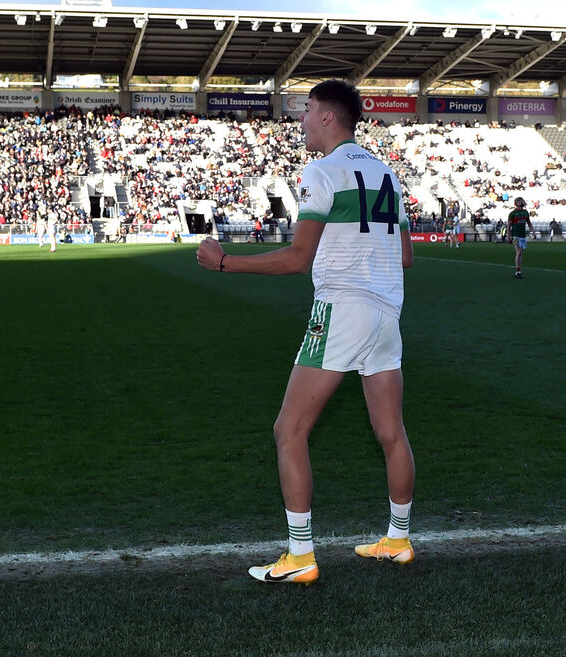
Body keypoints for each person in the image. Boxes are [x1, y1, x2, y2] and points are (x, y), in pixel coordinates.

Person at [196, 79, 416, 585]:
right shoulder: (388, 176)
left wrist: (225, 262)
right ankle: (399, 539)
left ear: (327, 117)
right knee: (391, 432)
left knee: (288, 430)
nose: (301, 120)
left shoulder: (321, 171)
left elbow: (299, 258)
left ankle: (300, 554)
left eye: (308, 110)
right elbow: (404, 255)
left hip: (340, 310)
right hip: (387, 312)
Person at [507, 197, 533, 279]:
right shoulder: (512, 213)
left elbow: (529, 223)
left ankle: (519, 270)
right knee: (519, 252)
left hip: (523, 235)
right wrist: (509, 236)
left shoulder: (525, 212)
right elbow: (509, 226)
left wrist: (533, 231)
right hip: (516, 235)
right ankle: (517, 271)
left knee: (521, 252)